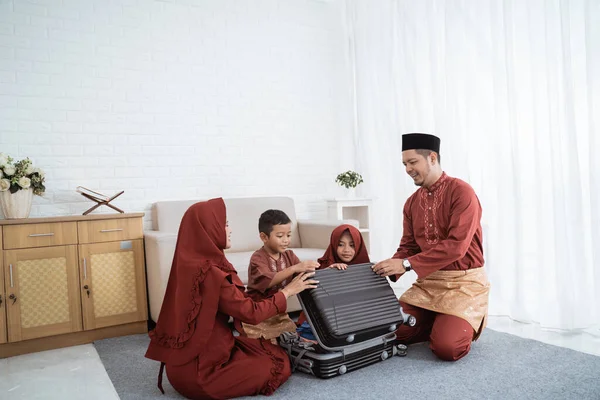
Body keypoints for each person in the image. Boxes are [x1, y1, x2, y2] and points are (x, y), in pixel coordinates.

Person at [145, 198, 318, 399]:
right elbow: (250, 313)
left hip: (177, 370)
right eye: (225, 224)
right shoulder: (214, 273)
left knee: (261, 347)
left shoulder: (187, 265)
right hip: (204, 377)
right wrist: (288, 291)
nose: (229, 230)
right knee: (278, 363)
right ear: (210, 228)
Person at [373, 133, 490, 362]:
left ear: (432, 158)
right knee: (391, 331)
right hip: (428, 285)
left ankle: (460, 322)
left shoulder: (462, 192)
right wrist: (389, 267)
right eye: (405, 164)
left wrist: (406, 264)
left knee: (448, 348)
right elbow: (408, 245)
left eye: (412, 162)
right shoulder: (411, 203)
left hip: (463, 285)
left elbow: (456, 246)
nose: (408, 169)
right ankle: (438, 320)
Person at [240, 209, 319, 341]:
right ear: (264, 237)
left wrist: (327, 268)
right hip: (258, 314)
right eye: (280, 236)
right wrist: (294, 268)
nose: (286, 240)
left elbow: (303, 274)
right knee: (264, 343)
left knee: (291, 338)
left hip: (279, 314)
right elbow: (268, 280)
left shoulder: (289, 256)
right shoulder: (257, 258)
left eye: (288, 235)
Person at [296, 224, 371, 327]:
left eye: (352, 245)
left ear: (359, 246)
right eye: (340, 244)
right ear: (333, 244)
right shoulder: (324, 266)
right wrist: (329, 273)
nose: (346, 250)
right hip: (330, 318)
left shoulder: (366, 268)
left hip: (355, 315)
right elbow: (313, 296)